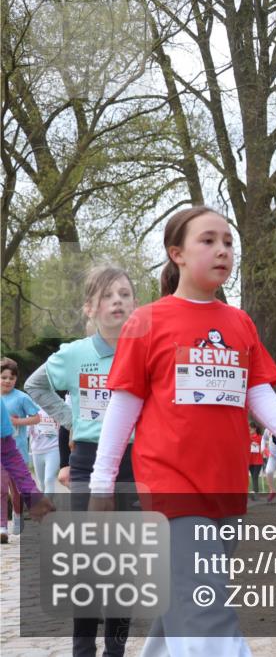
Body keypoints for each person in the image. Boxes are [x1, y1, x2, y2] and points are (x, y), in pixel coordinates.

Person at [88, 205, 276, 656]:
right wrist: (102, 483)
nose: (222, 251)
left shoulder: (240, 323)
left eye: (229, 242)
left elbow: (258, 395)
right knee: (205, 607)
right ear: (176, 253)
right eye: (209, 241)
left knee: (186, 600)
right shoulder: (146, 321)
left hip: (227, 486)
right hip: (170, 485)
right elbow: (123, 405)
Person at [25, 265, 141, 657]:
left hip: (134, 459)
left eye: (125, 294)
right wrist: (70, 419)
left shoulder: (146, 350)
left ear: (135, 304)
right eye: (108, 295)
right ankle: (83, 649)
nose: (117, 302)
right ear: (89, 307)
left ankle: (116, 650)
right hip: (88, 460)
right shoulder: (73, 355)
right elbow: (35, 385)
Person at [1, 357, 40, 539]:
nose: (7, 381)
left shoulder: (21, 397)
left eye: (11, 378)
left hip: (18, 451)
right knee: (1, 489)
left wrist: (17, 421)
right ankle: (2, 526)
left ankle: (17, 515)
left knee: (16, 490)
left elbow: (36, 418)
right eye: (4, 377)